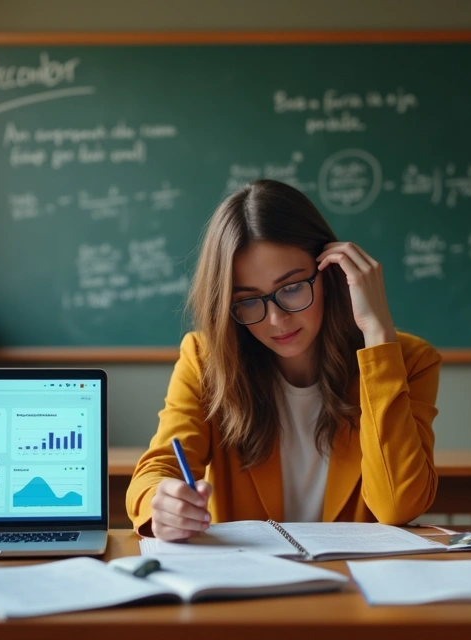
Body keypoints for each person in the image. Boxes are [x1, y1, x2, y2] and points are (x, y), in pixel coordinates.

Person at [126, 179, 442, 541]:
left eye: (291, 288)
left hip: (356, 587)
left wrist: (377, 332)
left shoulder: (408, 360)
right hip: (249, 586)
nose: (276, 320)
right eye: (248, 300)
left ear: (331, 273)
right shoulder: (206, 360)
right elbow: (158, 470)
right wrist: (161, 504)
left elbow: (398, 505)